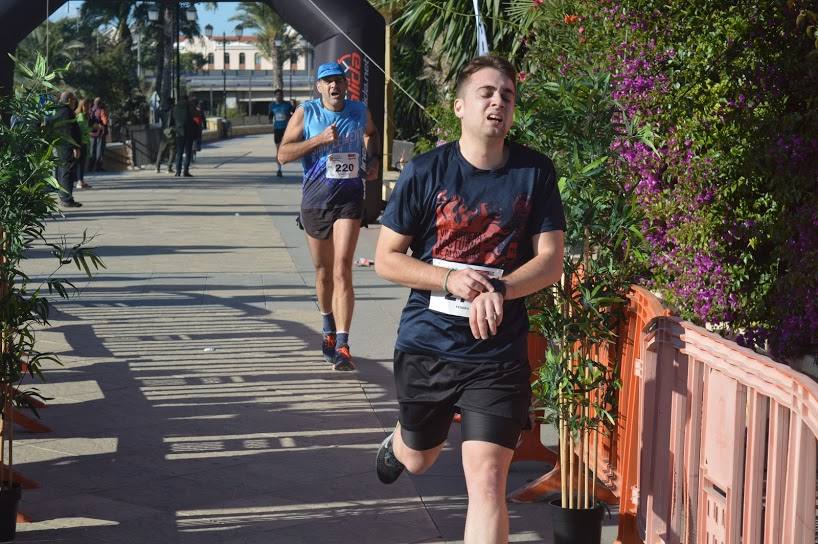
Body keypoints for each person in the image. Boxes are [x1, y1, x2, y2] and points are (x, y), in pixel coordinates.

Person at [373, 55, 566, 543]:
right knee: (421, 458)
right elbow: (387, 259)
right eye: (486, 93)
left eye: (507, 95)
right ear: (459, 106)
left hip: (497, 351)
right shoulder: (424, 172)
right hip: (429, 344)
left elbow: (551, 260)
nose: (498, 102)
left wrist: (499, 288)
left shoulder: (536, 173)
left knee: (487, 481)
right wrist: (448, 278)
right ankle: (401, 443)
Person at [277, 62, 380, 371]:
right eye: (328, 82)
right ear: (319, 87)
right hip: (316, 202)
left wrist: (372, 159)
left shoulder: (360, 111)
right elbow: (282, 154)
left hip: (349, 200)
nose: (334, 86)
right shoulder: (306, 113)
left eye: (339, 80)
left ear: (346, 84)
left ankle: (345, 343)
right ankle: (327, 327)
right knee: (323, 272)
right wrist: (318, 140)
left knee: (342, 267)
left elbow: (371, 135)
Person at [48, 91, 83, 208]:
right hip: (66, 147)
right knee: (66, 172)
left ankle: (64, 197)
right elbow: (70, 131)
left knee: (61, 172)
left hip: (59, 145)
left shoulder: (58, 111)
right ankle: (67, 199)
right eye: (73, 100)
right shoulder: (67, 112)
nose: (75, 102)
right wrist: (75, 146)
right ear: (68, 100)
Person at [269, 89, 293, 177]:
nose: (279, 96)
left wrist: (289, 117)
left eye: (280, 95)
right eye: (277, 95)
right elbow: (270, 117)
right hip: (277, 130)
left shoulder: (287, 105)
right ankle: (279, 169)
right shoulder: (272, 106)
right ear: (275, 96)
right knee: (278, 150)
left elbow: (294, 114)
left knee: (288, 147)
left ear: (283, 96)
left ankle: (286, 157)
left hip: (287, 130)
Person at [173, 95, 195, 177]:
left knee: (179, 152)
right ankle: (185, 171)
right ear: (187, 99)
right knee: (188, 152)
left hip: (179, 132)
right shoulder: (190, 105)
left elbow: (172, 119)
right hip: (189, 131)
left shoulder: (175, 107)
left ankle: (178, 171)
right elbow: (196, 115)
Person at [74, 97, 93, 189]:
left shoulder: (84, 116)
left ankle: (81, 180)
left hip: (84, 141)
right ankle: (79, 181)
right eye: (87, 106)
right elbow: (81, 130)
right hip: (81, 142)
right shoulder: (80, 116)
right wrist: (92, 129)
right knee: (80, 162)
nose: (88, 108)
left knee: (82, 162)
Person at [155, 98, 176, 174]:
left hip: (164, 132)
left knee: (161, 150)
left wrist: (159, 106)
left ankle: (157, 167)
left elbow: (157, 113)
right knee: (172, 151)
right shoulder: (174, 111)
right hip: (172, 133)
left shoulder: (163, 111)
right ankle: (169, 167)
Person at [88, 97, 109, 172]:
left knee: (92, 151)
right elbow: (105, 121)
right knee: (99, 151)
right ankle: (98, 167)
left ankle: (90, 167)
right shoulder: (101, 110)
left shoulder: (90, 110)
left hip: (91, 133)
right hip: (100, 133)